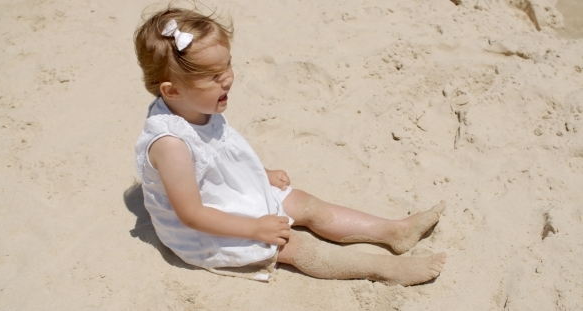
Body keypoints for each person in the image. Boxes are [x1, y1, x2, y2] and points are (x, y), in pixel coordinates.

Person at [134, 6, 446, 285]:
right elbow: (192, 214)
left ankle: (393, 232)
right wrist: (255, 228)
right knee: (294, 245)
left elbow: (219, 151)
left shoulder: (198, 105)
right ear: (172, 91)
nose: (227, 79)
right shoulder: (171, 145)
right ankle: (385, 269)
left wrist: (261, 172)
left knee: (306, 204)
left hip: (228, 194)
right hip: (207, 227)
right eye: (214, 76)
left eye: (227, 66)